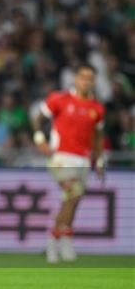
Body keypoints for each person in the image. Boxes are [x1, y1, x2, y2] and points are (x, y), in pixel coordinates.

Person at [32, 64, 105, 263]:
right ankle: (52, 241)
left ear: (94, 81)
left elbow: (97, 137)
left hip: (83, 159)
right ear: (76, 79)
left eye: (90, 78)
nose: (86, 81)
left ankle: (65, 238)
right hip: (61, 157)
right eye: (82, 77)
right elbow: (38, 117)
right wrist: (40, 139)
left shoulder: (97, 108)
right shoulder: (60, 99)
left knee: (73, 200)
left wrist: (99, 160)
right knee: (72, 193)